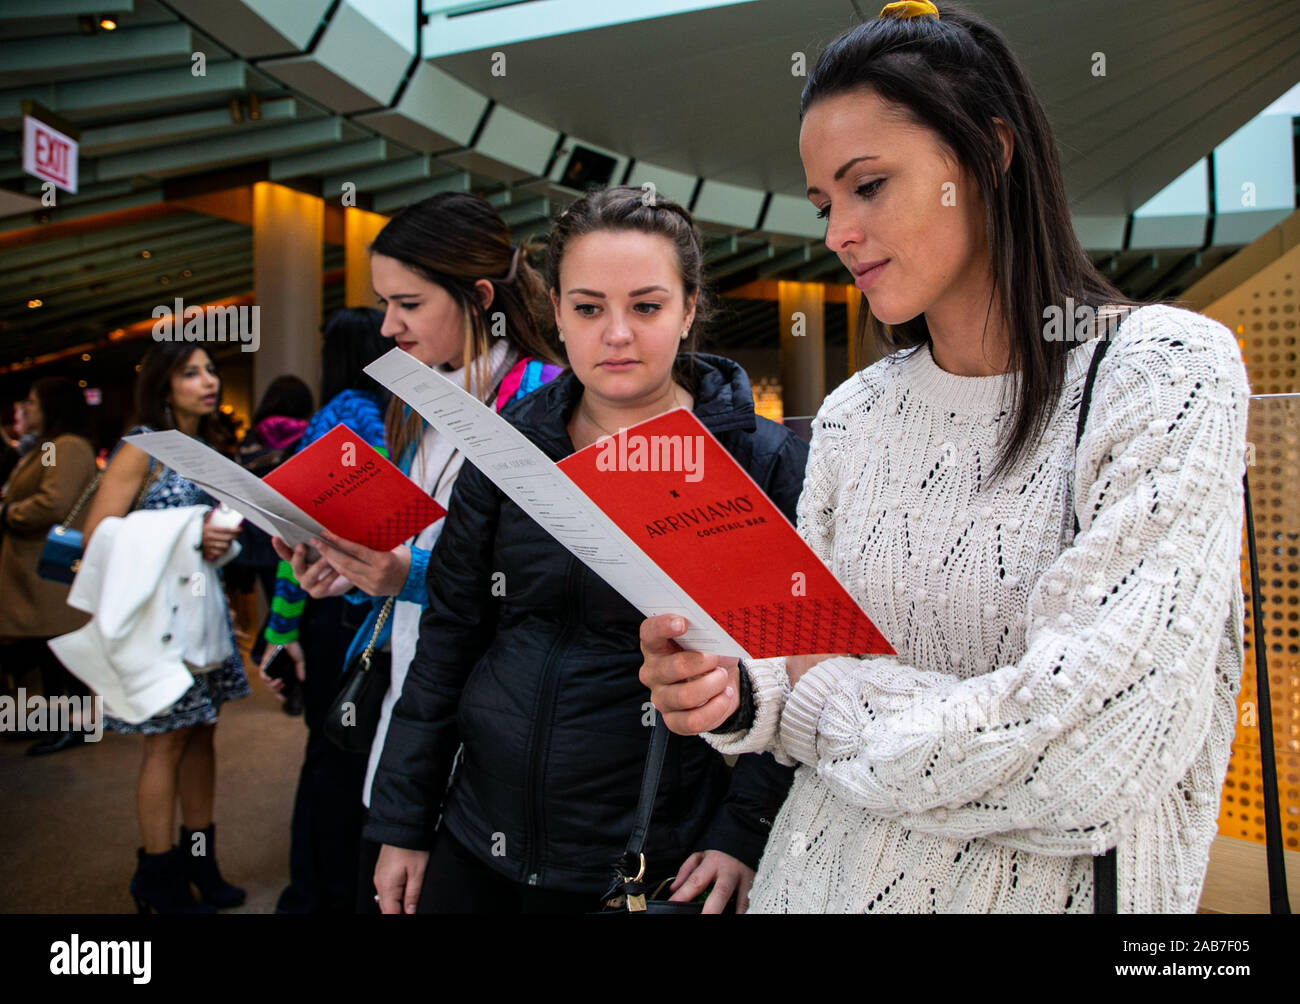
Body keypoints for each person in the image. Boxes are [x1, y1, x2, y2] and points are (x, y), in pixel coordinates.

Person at [639, 1, 1251, 914]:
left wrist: (817, 699)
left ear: (988, 155)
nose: (838, 231)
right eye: (824, 203)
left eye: (869, 185)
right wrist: (734, 688)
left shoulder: (1164, 372)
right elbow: (793, 657)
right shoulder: (853, 415)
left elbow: (1088, 751)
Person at [357, 186, 806, 914]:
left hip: (653, 860)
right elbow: (449, 640)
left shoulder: (762, 462)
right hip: (482, 834)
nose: (617, 333)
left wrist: (743, 832)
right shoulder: (508, 449)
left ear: (690, 309)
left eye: (648, 306)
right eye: (589, 308)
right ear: (557, 313)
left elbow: (801, 662)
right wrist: (404, 822)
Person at [273, 191, 565, 913]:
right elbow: (405, 545)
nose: (387, 325)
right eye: (383, 303)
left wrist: (410, 575)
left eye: (407, 303)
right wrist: (342, 567)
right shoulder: (416, 397)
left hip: (497, 718)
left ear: (479, 297)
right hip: (412, 694)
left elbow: (552, 581)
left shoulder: (549, 401)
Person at [82, 342, 248, 914]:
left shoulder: (207, 447)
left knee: (203, 734)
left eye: (211, 370)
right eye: (190, 372)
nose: (209, 381)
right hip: (158, 624)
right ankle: (157, 873)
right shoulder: (142, 449)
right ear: (162, 385)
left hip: (203, 615)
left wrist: (218, 538)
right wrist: (189, 532)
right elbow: (97, 535)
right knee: (167, 742)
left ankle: (201, 860)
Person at [257, 307, 395, 914]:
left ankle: (311, 893)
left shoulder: (330, 416)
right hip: (372, 606)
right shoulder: (388, 418)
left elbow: (297, 538)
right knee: (356, 753)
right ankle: (340, 891)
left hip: (326, 605)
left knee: (328, 751)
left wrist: (281, 626)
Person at [0, 377, 98, 754]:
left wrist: (9, 512)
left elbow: (56, 502)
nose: (25, 410)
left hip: (53, 563)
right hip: (40, 565)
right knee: (49, 650)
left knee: (60, 648)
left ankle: (73, 725)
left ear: (52, 406)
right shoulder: (50, 447)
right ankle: (54, 722)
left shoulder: (64, 448)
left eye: (32, 402)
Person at [228, 374, 313, 654]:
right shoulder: (308, 435)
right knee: (294, 597)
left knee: (272, 595)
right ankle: (275, 652)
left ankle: (273, 652)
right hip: (288, 532)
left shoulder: (251, 438)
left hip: (255, 534)